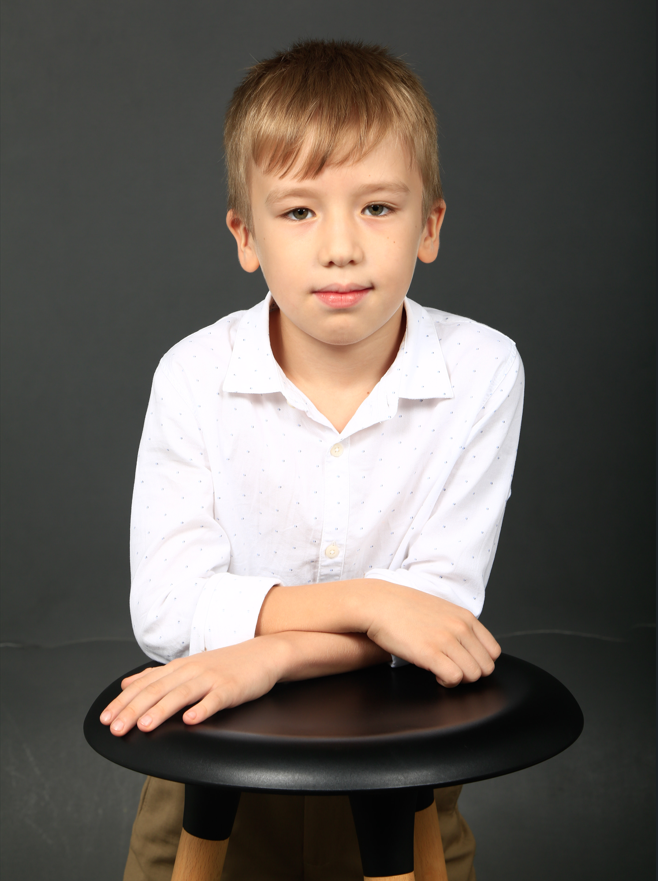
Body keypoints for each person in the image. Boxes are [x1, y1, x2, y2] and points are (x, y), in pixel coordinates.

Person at [101, 39, 524, 881]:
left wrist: (270, 652)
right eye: (298, 212)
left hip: (399, 775)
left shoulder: (483, 369)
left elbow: (440, 621)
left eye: (378, 207)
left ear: (430, 225)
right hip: (211, 764)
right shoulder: (194, 374)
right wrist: (373, 602)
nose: (340, 246)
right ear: (245, 235)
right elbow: (167, 610)